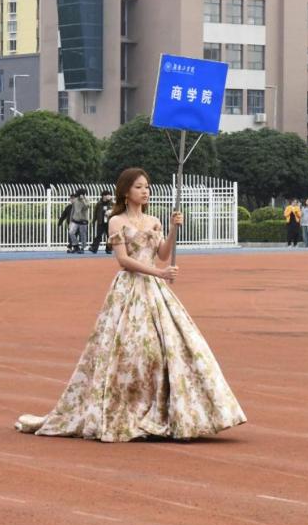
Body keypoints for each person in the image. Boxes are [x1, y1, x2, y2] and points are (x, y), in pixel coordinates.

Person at [15, 167, 247, 441]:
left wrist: (173, 229)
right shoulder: (116, 221)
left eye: (147, 186)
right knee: (129, 350)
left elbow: (163, 254)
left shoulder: (154, 221)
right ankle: (127, 409)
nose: (145, 191)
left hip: (155, 291)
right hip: (129, 290)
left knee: (168, 350)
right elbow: (124, 261)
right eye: (139, 187)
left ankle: (161, 411)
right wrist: (159, 273)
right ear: (126, 191)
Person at [69, 188, 90, 253]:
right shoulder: (75, 200)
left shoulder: (86, 200)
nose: (80, 195)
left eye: (82, 194)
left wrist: (83, 200)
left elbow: (87, 207)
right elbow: (72, 210)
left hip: (83, 220)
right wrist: (70, 221)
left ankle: (82, 248)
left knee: (83, 235)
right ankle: (76, 246)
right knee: (71, 232)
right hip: (75, 220)